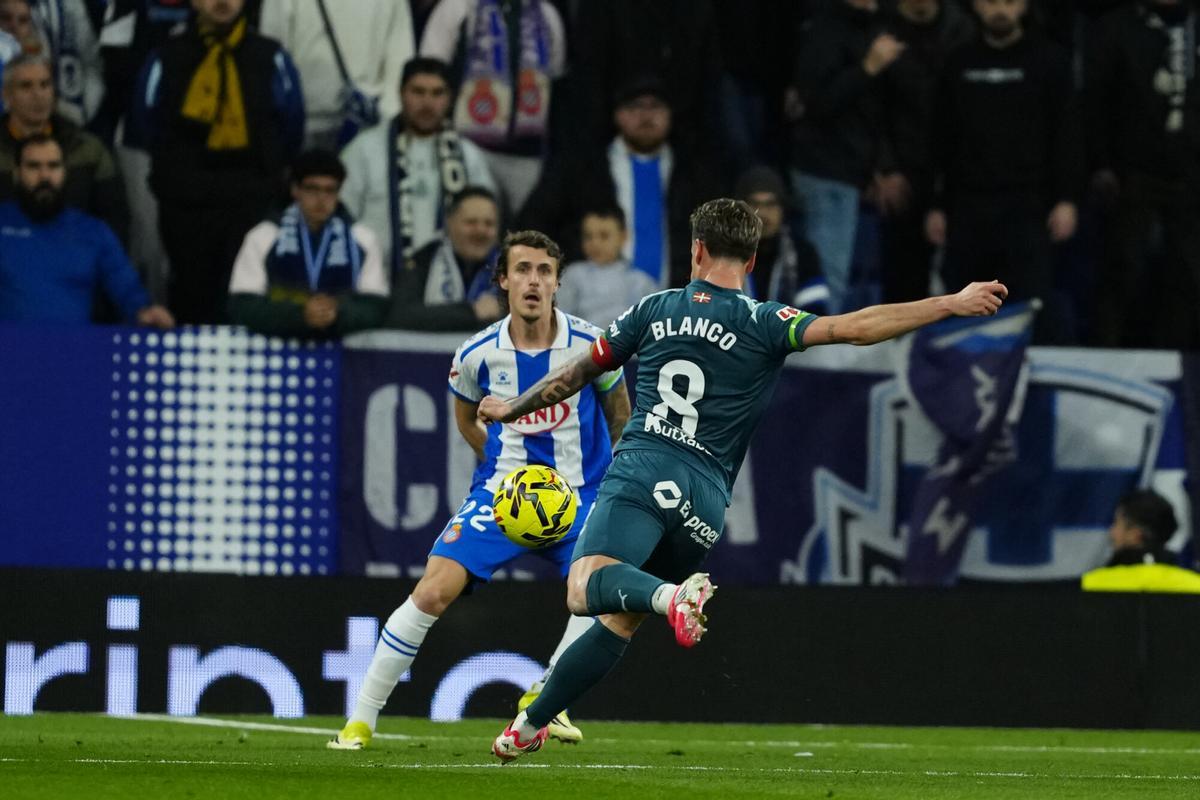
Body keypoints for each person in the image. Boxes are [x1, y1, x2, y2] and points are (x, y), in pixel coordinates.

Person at [477, 198, 1006, 760]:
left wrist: (513, 408)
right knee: (620, 618)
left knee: (584, 588)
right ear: (752, 262)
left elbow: (579, 372)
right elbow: (855, 328)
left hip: (646, 466)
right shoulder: (766, 321)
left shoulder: (653, 309)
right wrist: (949, 302)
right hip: (705, 504)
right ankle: (530, 723)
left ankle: (671, 596)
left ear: (697, 250)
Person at [328, 229, 633, 751]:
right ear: (503, 280)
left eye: (543, 271)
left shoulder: (590, 345)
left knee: (603, 595)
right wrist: (500, 470)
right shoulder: (476, 353)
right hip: (501, 496)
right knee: (432, 590)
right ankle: (360, 720)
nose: (533, 281)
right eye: (522, 270)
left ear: (558, 282)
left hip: (579, 496)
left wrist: (607, 489)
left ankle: (547, 696)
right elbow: (467, 419)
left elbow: (620, 416)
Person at [126, 0, 305, 325]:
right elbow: (145, 120)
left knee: (248, 293)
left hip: (251, 198)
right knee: (191, 295)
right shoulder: (167, 55)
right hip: (186, 203)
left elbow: (291, 124)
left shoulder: (270, 56)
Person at [925, 0, 1082, 344]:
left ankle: (1027, 389)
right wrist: (937, 204)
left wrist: (1067, 199)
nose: (1000, 10)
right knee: (960, 304)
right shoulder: (957, 62)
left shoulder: (1050, 61)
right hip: (968, 206)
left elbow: (1067, 136)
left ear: (1025, 6)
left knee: (1031, 305)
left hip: (1028, 206)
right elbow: (940, 140)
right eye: (991, 1)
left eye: (1009, 1)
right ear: (976, 7)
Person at [518, 75, 720, 289]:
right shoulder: (583, 169)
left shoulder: (694, 173)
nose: (646, 115)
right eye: (635, 107)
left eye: (656, 107)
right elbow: (534, 224)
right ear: (617, 114)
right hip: (594, 305)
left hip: (679, 305)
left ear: (670, 115)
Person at [1085, 0, 1200, 349]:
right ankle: (1113, 362)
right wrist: (1101, 164)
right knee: (1124, 273)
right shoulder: (1116, 27)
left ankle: (1184, 369)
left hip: (1193, 175)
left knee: (1189, 276)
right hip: (1134, 175)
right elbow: (1096, 100)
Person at [787, 0, 903, 314]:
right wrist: (867, 68)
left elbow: (871, 113)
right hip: (824, 170)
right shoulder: (825, 29)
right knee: (827, 279)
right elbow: (815, 102)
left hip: (849, 170)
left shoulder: (873, 27)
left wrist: (875, 167)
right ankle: (813, 359)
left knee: (836, 277)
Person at [339, 56, 496, 275]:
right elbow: (342, 219)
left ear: (450, 99)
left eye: (437, 93)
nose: (427, 103)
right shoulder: (363, 150)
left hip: (449, 286)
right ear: (401, 93)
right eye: (418, 92)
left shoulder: (469, 156)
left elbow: (487, 222)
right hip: (376, 282)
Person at [0, 134, 172, 326]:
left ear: (65, 173)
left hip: (75, 351)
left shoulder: (93, 232)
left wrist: (145, 312)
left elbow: (127, 289)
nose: (45, 176)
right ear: (17, 174)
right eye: (33, 166)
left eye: (53, 166)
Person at [418, 0, 567, 216]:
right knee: (474, 225)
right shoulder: (457, 7)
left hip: (528, 155)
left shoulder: (547, 14)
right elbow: (430, 68)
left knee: (525, 235)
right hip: (469, 149)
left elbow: (555, 74)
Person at [227, 149, 388, 337]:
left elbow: (376, 307)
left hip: (344, 355)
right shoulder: (263, 236)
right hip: (278, 351)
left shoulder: (363, 239)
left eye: (330, 190)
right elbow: (242, 305)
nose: (321, 199)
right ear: (295, 190)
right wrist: (299, 315)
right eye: (312, 189)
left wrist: (337, 314)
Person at [0, 53, 128, 243]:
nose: (38, 95)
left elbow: (115, 216)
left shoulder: (88, 149)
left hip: (76, 257)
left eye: (45, 84)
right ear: (6, 95)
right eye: (26, 86)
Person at [258, 0, 415, 151]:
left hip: (315, 121)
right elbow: (400, 62)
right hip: (356, 121)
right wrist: (386, 120)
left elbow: (273, 59)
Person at [385, 185, 503, 331]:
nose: (481, 231)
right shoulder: (425, 259)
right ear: (450, 223)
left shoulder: (514, 267)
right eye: (471, 222)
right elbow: (400, 316)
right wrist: (471, 312)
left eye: (489, 224)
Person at [734, 165, 825, 310]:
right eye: (755, 204)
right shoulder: (720, 254)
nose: (762, 213)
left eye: (770, 204)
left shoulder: (803, 254)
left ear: (783, 209)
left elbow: (816, 317)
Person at [555, 205, 657, 328]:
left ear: (623, 237)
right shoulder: (573, 276)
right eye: (588, 236)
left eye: (604, 236)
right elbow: (558, 319)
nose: (595, 243)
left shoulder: (640, 282)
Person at [1081, 489, 1200, 593]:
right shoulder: (1195, 585)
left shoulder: (1090, 585)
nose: (1112, 532)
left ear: (1135, 535)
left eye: (1116, 523)